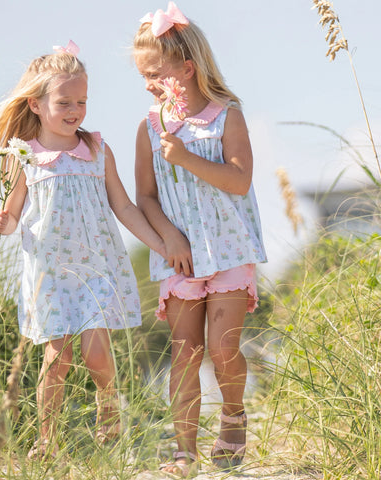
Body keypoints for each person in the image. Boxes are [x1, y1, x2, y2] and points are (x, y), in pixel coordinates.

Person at [0, 41, 167, 460]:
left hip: (97, 267)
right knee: (57, 356)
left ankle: (109, 414)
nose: (75, 109)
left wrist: (160, 244)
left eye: (82, 100)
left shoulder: (97, 151)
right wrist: (2, 223)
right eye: (64, 101)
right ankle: (47, 440)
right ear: (36, 104)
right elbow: (11, 217)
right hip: (50, 273)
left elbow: (123, 206)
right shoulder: (23, 156)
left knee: (97, 350)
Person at [133, 3, 267, 476]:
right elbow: (146, 197)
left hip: (229, 247)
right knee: (185, 350)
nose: (147, 83)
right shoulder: (148, 128)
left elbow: (239, 181)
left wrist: (187, 157)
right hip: (180, 257)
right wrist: (168, 237)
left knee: (223, 347)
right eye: (142, 75)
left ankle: (233, 414)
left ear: (185, 69)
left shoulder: (227, 116)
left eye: (154, 73)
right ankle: (183, 451)